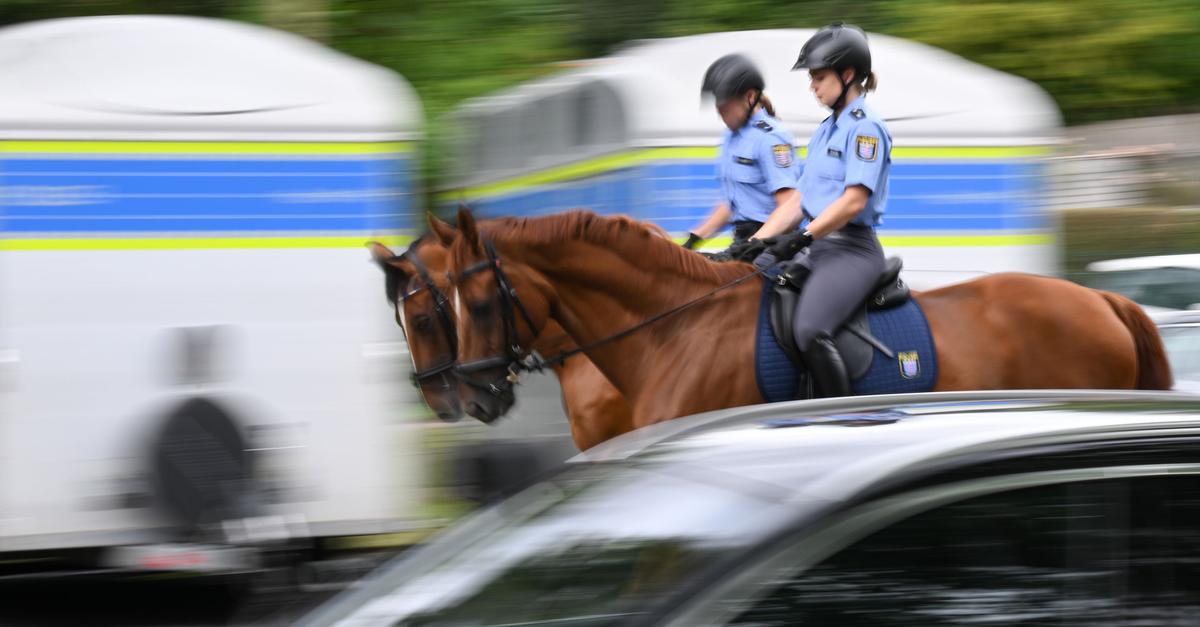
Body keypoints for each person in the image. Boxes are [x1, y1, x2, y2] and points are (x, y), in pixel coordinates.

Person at [745, 22, 893, 398]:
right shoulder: (827, 129)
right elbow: (797, 202)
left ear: (847, 75)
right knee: (750, 278)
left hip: (852, 251)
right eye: (811, 78)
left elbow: (854, 201)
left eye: (819, 77)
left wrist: (803, 237)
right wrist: (753, 244)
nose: (812, 85)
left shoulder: (866, 128)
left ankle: (840, 416)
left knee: (810, 328)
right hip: (818, 247)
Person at [682, 54, 800, 255]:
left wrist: (755, 243)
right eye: (717, 101)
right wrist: (695, 239)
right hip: (742, 242)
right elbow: (734, 203)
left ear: (751, 97)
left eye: (726, 100)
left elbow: (790, 207)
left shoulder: (771, 138)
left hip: (771, 246)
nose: (719, 108)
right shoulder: (730, 137)